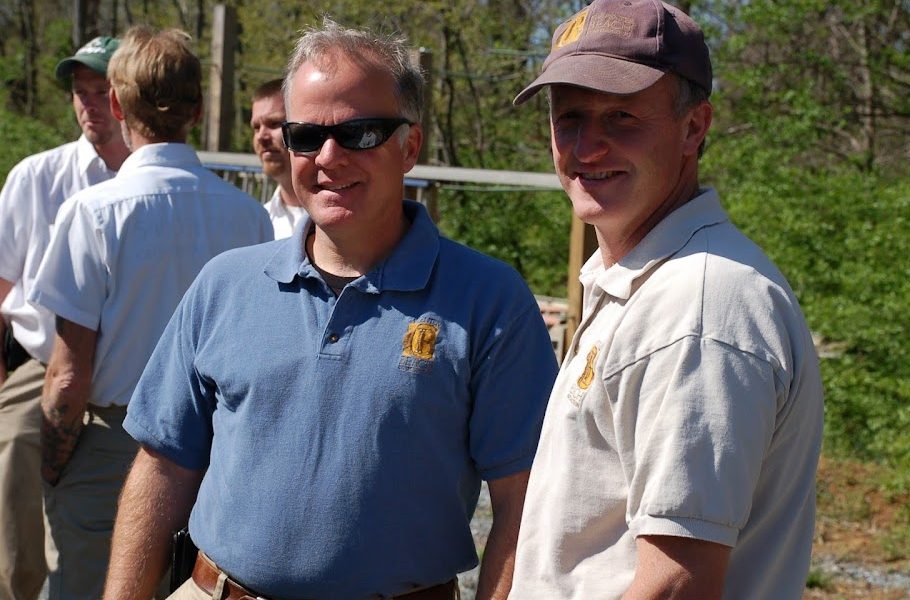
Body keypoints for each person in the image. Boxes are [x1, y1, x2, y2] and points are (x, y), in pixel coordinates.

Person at [104, 18, 557, 600]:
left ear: (410, 146)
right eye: (305, 135)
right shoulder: (225, 284)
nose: (328, 156)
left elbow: (524, 506)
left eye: (361, 132)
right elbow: (161, 466)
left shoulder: (488, 300)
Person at [508, 1, 825, 599]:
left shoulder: (698, 306)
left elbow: (675, 584)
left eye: (621, 115)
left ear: (693, 127)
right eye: (569, 116)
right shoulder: (650, 282)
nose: (587, 145)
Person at [27, 26, 272, 599]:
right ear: (199, 107)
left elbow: (67, 375)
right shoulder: (248, 218)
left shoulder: (92, 212)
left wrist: (54, 470)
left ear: (116, 104)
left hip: (113, 445)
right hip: (215, 453)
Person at [0, 36, 129, 600]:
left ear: (129, 97)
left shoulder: (151, 181)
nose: (88, 105)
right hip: (40, 362)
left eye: (101, 91)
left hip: (131, 372)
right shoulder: (36, 176)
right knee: (12, 460)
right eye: (80, 93)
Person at [251, 78, 307, 239]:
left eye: (274, 123)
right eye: (256, 127)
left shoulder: (340, 216)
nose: (261, 136)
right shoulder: (260, 219)